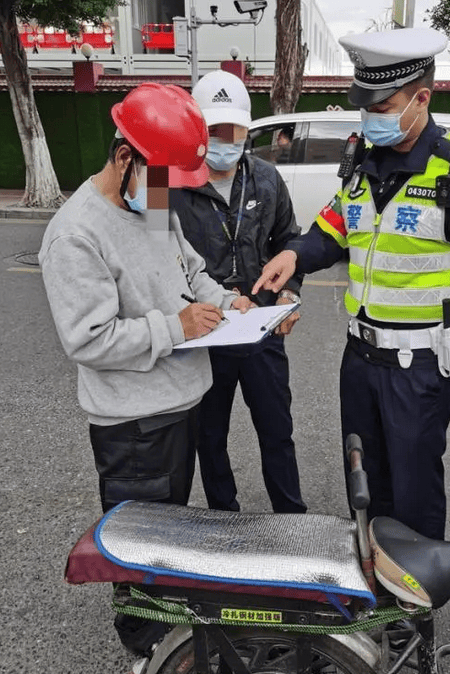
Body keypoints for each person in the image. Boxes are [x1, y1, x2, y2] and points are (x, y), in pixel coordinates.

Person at [253, 28, 450, 541]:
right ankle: (378, 582)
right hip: (361, 358)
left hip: (418, 365)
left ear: (421, 98)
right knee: (366, 481)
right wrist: (293, 253)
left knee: (415, 490)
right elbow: (334, 227)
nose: (371, 117)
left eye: (384, 105)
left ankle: (414, 611)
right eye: (366, 106)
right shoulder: (363, 161)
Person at [39, 82, 252, 654]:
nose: (168, 196)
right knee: (139, 548)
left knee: (172, 535)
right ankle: (144, 647)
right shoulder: (76, 234)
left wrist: (232, 302)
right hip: (135, 428)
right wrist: (176, 328)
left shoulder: (150, 199)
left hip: (182, 402)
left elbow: (189, 272)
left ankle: (169, 626)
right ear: (125, 156)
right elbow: (90, 339)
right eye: (162, 179)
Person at [170, 69, 307, 515]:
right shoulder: (161, 183)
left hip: (261, 328)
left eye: (236, 131)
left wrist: (287, 296)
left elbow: (290, 240)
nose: (226, 140)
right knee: (209, 435)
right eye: (215, 131)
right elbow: (150, 256)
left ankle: (292, 517)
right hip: (205, 332)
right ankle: (223, 518)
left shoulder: (267, 178)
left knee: (277, 429)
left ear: (249, 130)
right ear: (196, 129)